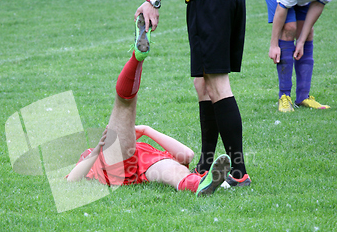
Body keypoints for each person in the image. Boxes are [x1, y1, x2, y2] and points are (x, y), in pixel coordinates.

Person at [67, 17, 231, 197]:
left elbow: (187, 155)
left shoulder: (149, 152)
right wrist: (98, 148)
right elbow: (71, 180)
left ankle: (200, 184)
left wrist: (146, 129)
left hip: (143, 169)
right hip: (117, 165)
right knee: (125, 104)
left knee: (176, 173)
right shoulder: (95, 155)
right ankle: (137, 58)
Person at [134, 0, 251, 188]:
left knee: (217, 84)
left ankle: (239, 173)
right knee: (203, 83)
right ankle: (205, 166)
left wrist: (153, 0)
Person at [262, 0, 337, 112]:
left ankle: (303, 97)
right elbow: (282, 6)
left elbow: (319, 3)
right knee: (289, 27)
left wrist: (301, 41)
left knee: (307, 32)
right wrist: (274, 45)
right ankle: (284, 96)